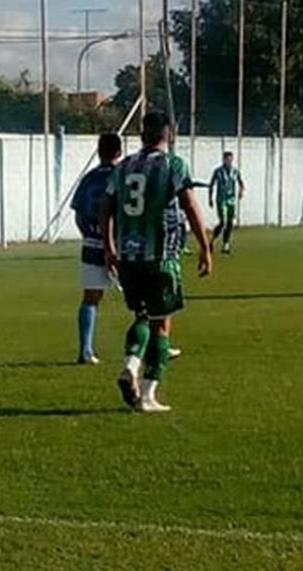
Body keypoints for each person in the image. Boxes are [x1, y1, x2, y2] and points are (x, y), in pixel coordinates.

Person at [102, 113, 212, 413]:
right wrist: (205, 246)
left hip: (128, 257)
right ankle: (148, 396)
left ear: (141, 135)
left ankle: (130, 365)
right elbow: (189, 204)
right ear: (170, 134)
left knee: (141, 315)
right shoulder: (173, 165)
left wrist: (109, 247)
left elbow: (106, 207)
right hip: (161, 257)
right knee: (162, 323)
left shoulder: (123, 167)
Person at [69, 133, 122, 365]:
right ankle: (146, 348)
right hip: (121, 246)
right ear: (119, 152)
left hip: (91, 244)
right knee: (140, 298)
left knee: (90, 297)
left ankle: (85, 349)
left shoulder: (88, 178)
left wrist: (89, 234)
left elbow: (78, 213)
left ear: (99, 152)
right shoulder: (122, 176)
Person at [208, 152, 245, 254]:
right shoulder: (218, 171)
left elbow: (241, 183)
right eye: (227, 160)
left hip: (231, 200)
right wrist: (210, 199)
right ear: (223, 160)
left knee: (230, 222)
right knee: (222, 222)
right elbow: (211, 185)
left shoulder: (235, 171)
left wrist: (241, 191)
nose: (229, 162)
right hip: (221, 199)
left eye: (230, 160)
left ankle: (226, 244)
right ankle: (212, 240)